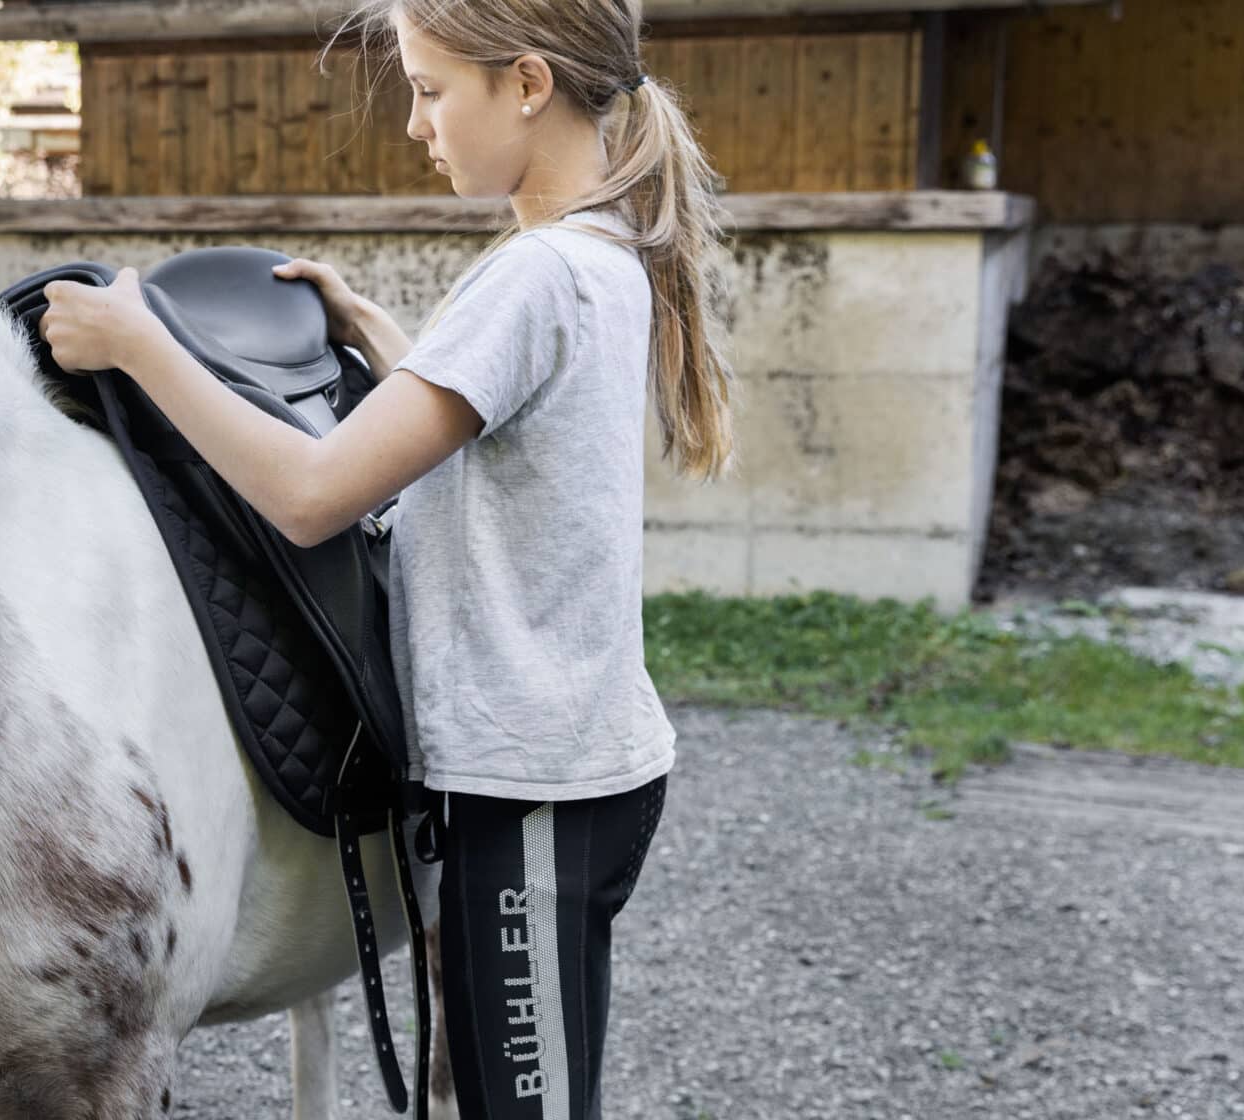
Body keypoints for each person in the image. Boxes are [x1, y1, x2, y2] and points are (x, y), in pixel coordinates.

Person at [38, 0, 735, 1113]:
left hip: (531, 796)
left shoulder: (531, 277)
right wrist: (377, 334)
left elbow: (312, 498)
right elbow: (493, 436)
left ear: (523, 84)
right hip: (567, 773)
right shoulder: (599, 253)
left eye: (426, 88)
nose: (414, 124)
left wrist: (142, 345)